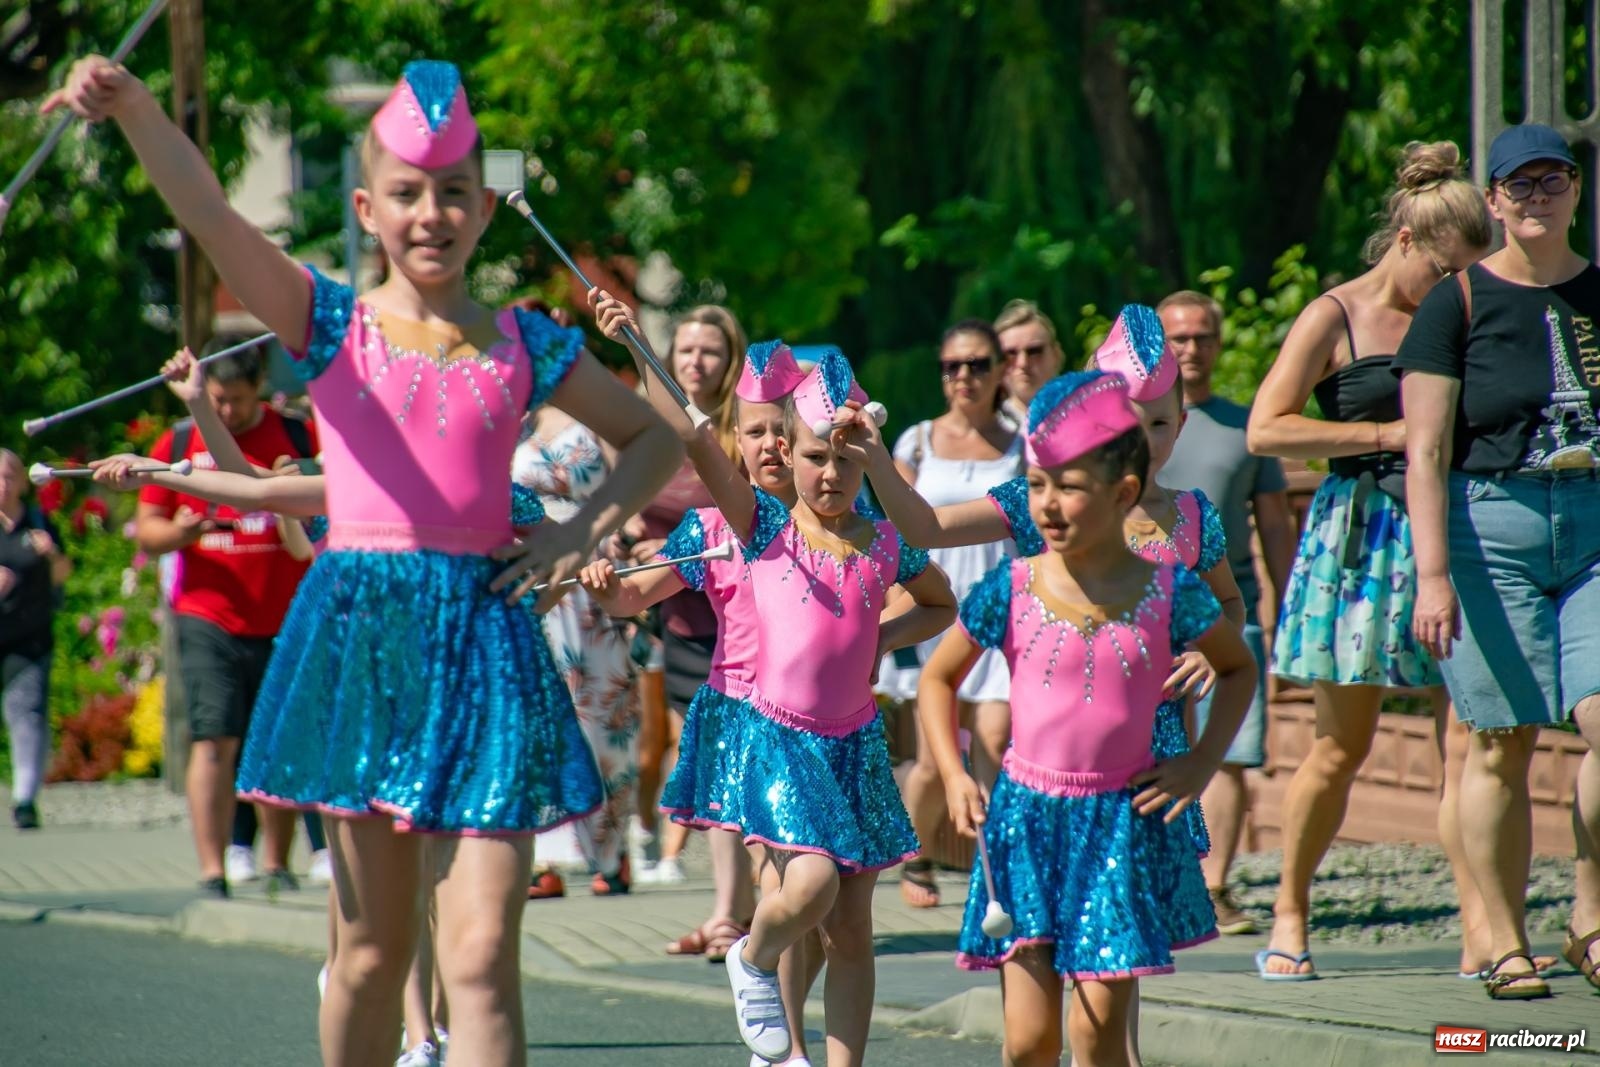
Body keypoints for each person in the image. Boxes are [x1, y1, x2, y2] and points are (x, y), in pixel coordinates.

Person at [48, 55, 681, 1067]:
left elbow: (657, 440)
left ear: (483, 209)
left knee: (479, 960)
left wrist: (577, 531)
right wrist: (130, 107)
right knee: (373, 958)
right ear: (367, 204)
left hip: (488, 644)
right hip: (366, 645)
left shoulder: (528, 341)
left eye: (454, 194)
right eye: (408, 193)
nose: (432, 213)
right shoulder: (329, 321)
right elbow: (210, 213)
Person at [589, 348, 956, 1066]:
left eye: (846, 461)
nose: (829, 474)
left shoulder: (882, 542)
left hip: (853, 742)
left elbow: (940, 600)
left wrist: (879, 637)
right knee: (804, 884)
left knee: (848, 927)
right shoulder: (753, 523)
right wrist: (636, 343)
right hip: (766, 730)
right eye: (815, 456)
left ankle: (814, 1055)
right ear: (786, 451)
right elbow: (693, 439)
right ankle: (758, 976)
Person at [917, 370, 1257, 1067]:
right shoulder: (1011, 586)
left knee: (1098, 1038)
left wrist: (1200, 762)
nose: (1048, 504)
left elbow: (1238, 666)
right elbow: (936, 677)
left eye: (1069, 487)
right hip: (1024, 821)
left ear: (1123, 492)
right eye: (1039, 485)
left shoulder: (1170, 589)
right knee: (1028, 1042)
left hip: (1118, 825)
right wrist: (953, 775)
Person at [1249, 141, 1496, 981]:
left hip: (1452, 527)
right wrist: (1387, 433)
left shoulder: (1465, 309)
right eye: (1442, 270)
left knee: (1465, 739)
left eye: (1466, 272)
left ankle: (1480, 924)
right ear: (1403, 243)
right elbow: (1267, 427)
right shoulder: (1335, 314)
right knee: (1339, 745)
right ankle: (1290, 905)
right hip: (1360, 533)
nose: (1451, 288)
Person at [1398, 123, 1600, 1000]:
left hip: (1595, 524)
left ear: (1577, 192)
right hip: (1494, 527)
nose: (1536, 197)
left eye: (1553, 180)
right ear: (1494, 200)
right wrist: (1432, 572)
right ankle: (1505, 941)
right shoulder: (1458, 302)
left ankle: (1589, 912)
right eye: (1519, 186)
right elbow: (1425, 450)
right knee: (1500, 743)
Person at [128, 334, 315, 897]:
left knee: (278, 738)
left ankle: (277, 861)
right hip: (207, 615)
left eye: (236, 399)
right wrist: (180, 532)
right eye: (217, 399)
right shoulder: (181, 439)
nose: (227, 411)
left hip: (286, 615)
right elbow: (149, 531)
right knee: (213, 740)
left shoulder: (297, 435)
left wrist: (293, 480)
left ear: (260, 388)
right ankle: (213, 869)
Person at [1157, 290, 1297, 935]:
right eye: (1177, 337)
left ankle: (1214, 886)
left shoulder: (1249, 427)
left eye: (1201, 337)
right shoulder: (1129, 426)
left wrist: (1287, 604)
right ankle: (1165, 876)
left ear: (1217, 343)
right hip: (1141, 615)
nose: (1190, 348)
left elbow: (1272, 518)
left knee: (1232, 751)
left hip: (1225, 609)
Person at [876, 319, 1022, 909]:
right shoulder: (915, 441)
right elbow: (895, 533)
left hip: (1000, 609)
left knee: (993, 735)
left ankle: (997, 873)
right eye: (952, 365)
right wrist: (888, 615)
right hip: (933, 607)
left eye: (979, 364)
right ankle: (916, 853)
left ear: (999, 371)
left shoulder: (1022, 442)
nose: (965, 376)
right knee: (935, 762)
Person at [514, 404, 641, 898]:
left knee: (604, 720)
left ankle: (610, 852)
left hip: (592, 576)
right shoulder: (514, 418)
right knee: (542, 717)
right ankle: (546, 855)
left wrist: (627, 539)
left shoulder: (595, 410)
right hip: (535, 575)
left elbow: (634, 478)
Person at [1, 449, 70, 830]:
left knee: (27, 715)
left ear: (23, 482)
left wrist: (52, 554)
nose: (4, 484)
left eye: (10, 476)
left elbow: (62, 576)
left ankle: (25, 798)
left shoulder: (40, 524)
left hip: (29, 637)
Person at [995, 299, 1066, 429]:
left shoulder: (1083, 417)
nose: (1023, 363)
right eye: (1011, 354)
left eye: (1034, 351)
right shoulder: (984, 433)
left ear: (1056, 355)